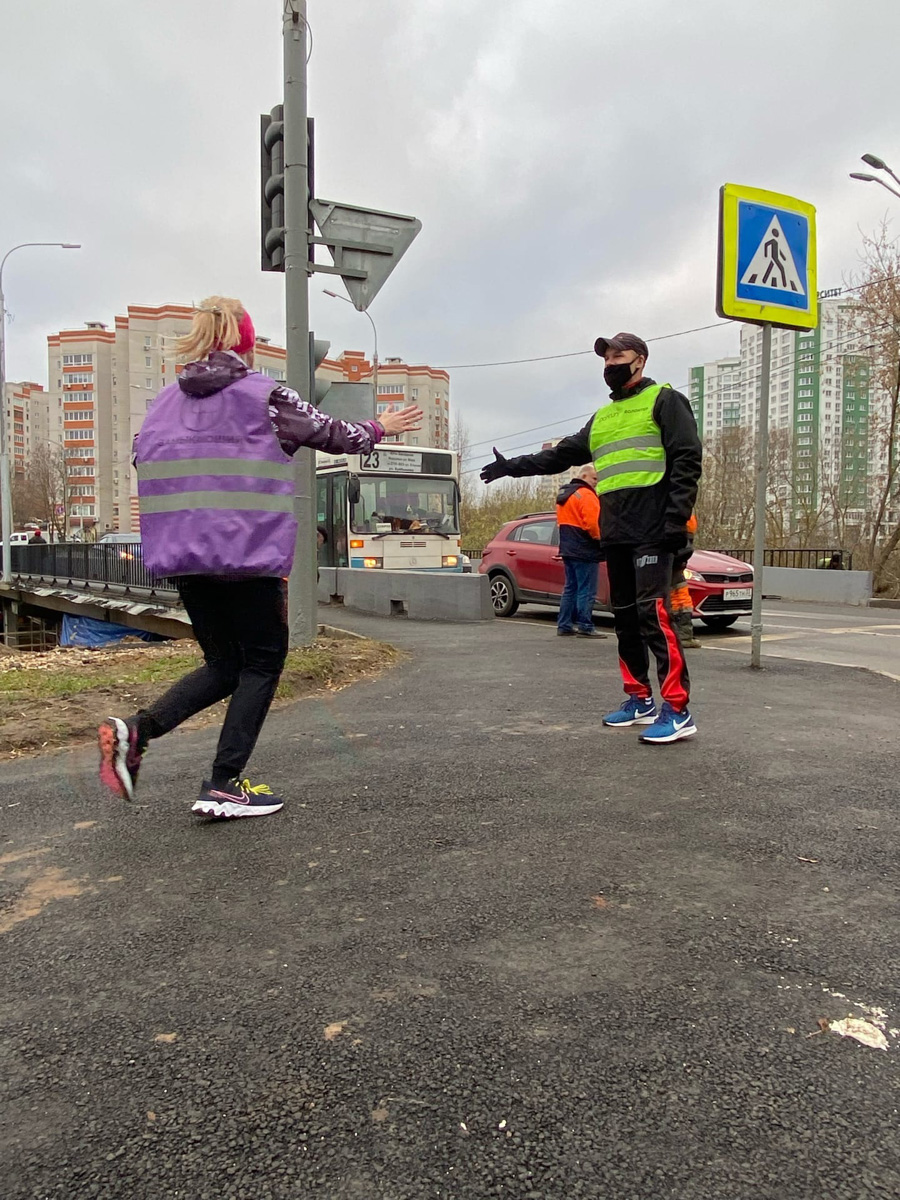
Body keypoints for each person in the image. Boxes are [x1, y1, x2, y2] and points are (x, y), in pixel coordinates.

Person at [98, 295, 422, 819]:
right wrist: (383, 425)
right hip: (245, 554)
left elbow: (141, 455)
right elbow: (334, 434)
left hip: (185, 556)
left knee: (226, 663)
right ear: (246, 343)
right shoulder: (265, 395)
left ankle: (137, 732)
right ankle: (224, 784)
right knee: (265, 660)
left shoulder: (161, 404)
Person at [481, 331, 701, 744]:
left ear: (641, 360)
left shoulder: (665, 401)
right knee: (625, 619)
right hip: (616, 533)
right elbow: (560, 455)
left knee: (653, 616)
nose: (609, 364)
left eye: (618, 355)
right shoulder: (602, 418)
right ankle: (639, 699)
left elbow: (688, 460)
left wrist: (676, 521)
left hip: (654, 530)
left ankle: (678, 709)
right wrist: (512, 467)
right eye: (604, 358)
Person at [555, 465, 606, 638]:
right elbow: (593, 524)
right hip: (585, 549)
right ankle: (585, 625)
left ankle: (564, 624)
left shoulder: (565, 495)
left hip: (568, 548)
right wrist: (601, 539)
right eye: (594, 479)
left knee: (570, 588)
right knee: (587, 590)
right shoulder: (586, 494)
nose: (596, 483)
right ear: (584, 476)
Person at [669, 512, 700, 649]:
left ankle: (680, 634)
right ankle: (683, 635)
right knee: (679, 595)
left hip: (672, 553)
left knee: (675, 595)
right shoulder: (683, 506)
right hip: (679, 554)